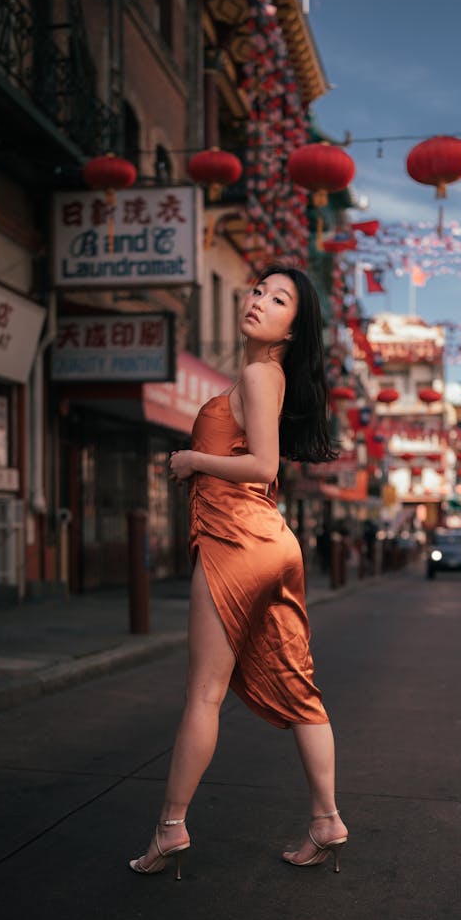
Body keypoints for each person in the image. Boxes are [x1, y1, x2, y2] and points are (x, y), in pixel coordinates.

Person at [129, 264, 348, 879]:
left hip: (238, 541)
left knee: (203, 693)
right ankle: (327, 819)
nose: (258, 301)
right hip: (273, 543)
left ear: (290, 332)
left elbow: (262, 466)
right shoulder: (265, 376)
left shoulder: (258, 373)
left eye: (278, 300)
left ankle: (170, 828)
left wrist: (192, 459)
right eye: (258, 290)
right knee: (301, 690)